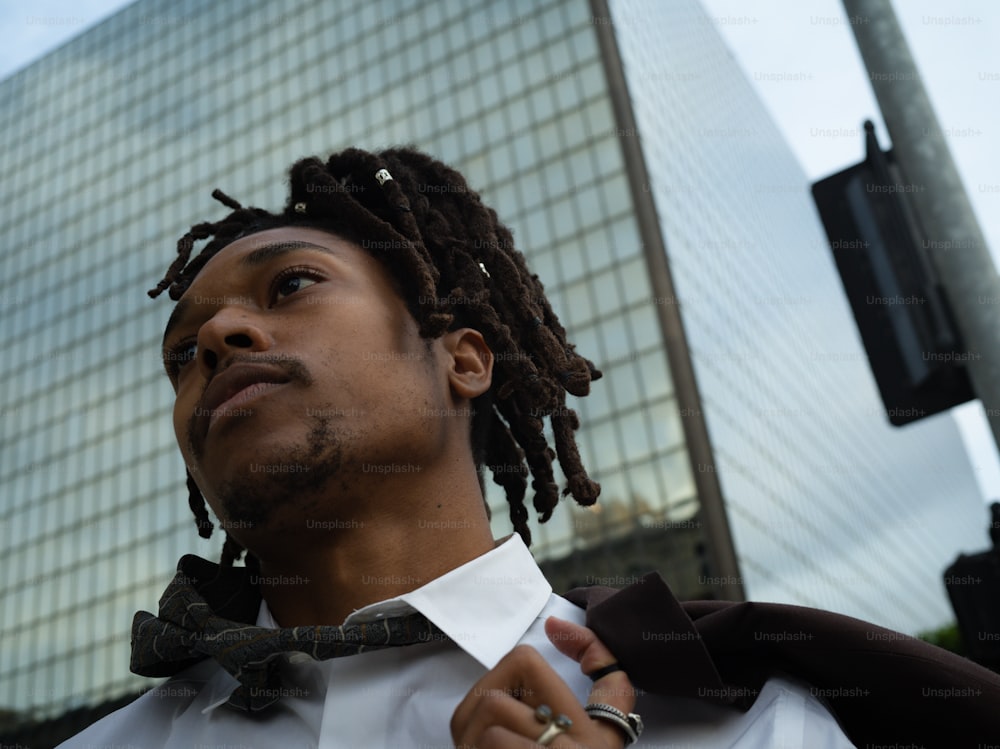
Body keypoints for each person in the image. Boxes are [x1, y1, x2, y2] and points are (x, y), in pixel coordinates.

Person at [59, 147, 999, 748]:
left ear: (463, 358)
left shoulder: (743, 724)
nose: (218, 341)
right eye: (183, 352)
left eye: (291, 285)